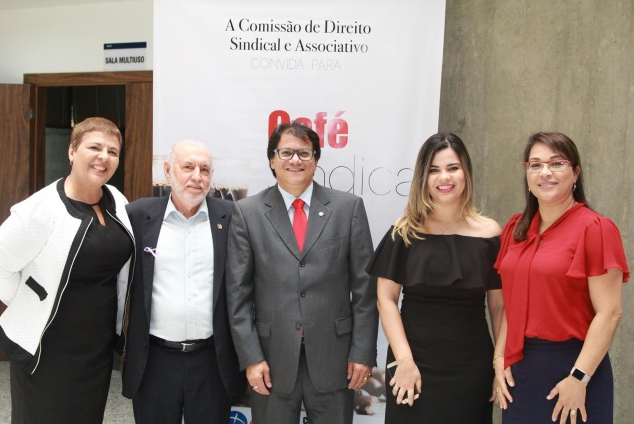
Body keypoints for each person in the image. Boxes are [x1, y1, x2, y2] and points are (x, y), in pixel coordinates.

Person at [226, 122, 379, 424]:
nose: (295, 160)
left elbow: (365, 290)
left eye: (304, 153)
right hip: (271, 359)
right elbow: (238, 295)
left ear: (316, 160)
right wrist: (251, 357)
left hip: (336, 359)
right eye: (286, 152)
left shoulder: (348, 209)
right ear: (272, 159)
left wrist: (362, 352)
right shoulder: (248, 213)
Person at [0, 117, 134, 423]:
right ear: (72, 151)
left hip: (96, 351)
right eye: (95, 147)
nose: (104, 157)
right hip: (47, 351)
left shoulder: (118, 201)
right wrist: (29, 301)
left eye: (113, 151)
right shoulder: (38, 211)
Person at [366, 132, 504, 423]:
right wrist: (404, 361)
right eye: (434, 170)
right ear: (422, 178)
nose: (445, 178)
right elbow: (386, 300)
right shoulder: (404, 231)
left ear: (466, 171)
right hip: (411, 363)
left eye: (453, 168)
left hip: (471, 366)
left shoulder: (490, 233)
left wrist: (499, 362)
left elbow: (500, 307)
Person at [492, 132, 629, 424]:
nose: (545, 172)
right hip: (521, 372)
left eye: (556, 163)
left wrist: (579, 379)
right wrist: (499, 359)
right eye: (535, 164)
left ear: (575, 172)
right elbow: (510, 305)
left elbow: (610, 313)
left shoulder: (596, 229)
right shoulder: (515, 228)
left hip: (574, 369)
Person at [123, 139, 244, 423]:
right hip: (155, 361)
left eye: (204, 169)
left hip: (211, 360)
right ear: (168, 170)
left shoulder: (231, 219)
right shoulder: (138, 216)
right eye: (187, 167)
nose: (196, 176)